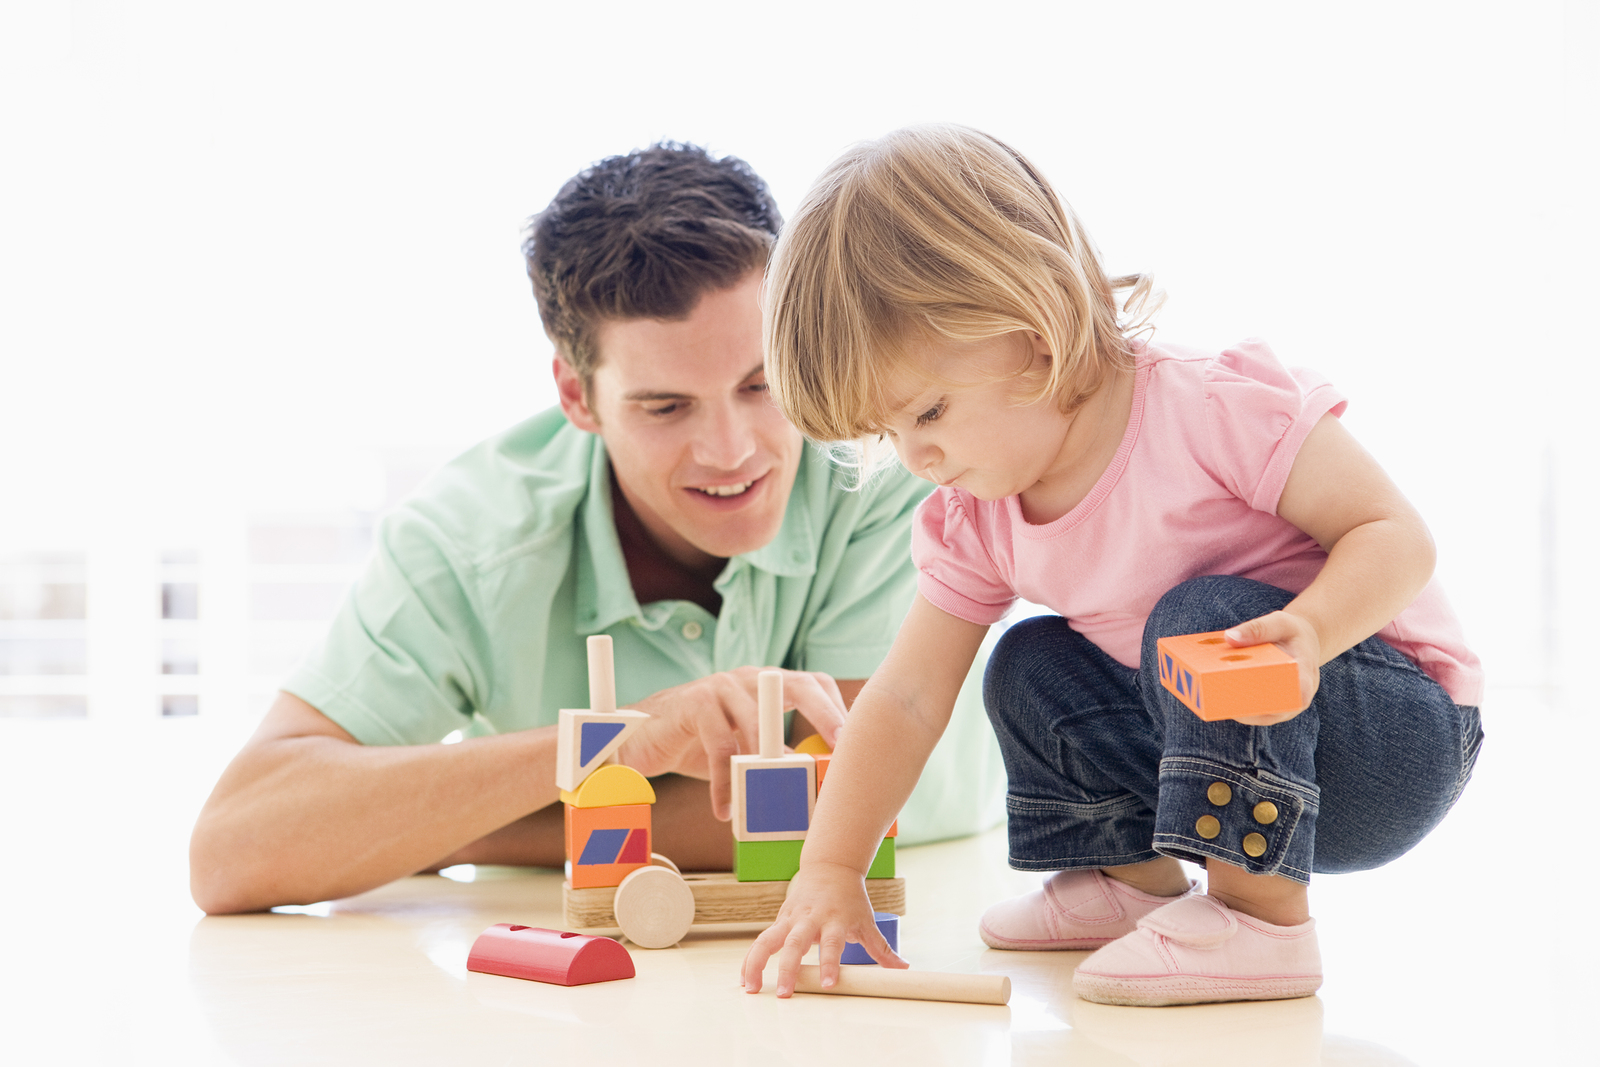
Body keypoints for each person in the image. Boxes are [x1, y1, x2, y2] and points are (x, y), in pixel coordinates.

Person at [741, 125, 1483, 1006]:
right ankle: (1130, 880)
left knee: (1197, 618)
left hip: (1387, 740)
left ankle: (1262, 922)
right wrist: (830, 865)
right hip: (1207, 758)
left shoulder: (1208, 408)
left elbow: (1398, 536)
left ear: (1034, 328)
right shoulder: (977, 517)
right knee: (1030, 656)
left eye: (930, 411)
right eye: (888, 432)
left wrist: (1311, 632)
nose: (916, 457)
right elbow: (904, 698)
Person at [188, 142, 1004, 916]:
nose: (732, 450)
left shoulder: (891, 470)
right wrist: (615, 741)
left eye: (762, 385)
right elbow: (232, 849)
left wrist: (452, 825)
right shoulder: (472, 541)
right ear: (577, 396)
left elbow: (854, 804)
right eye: (665, 406)